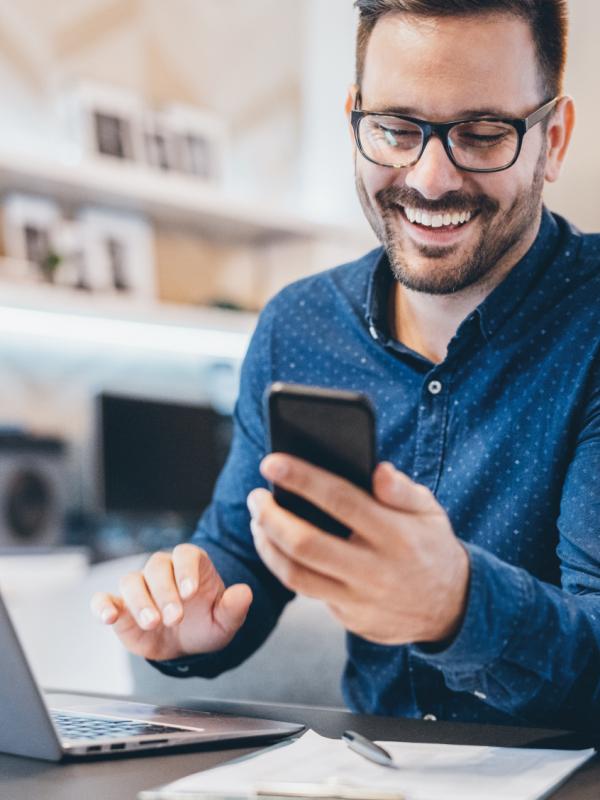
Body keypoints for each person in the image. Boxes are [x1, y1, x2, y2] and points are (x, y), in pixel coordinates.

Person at [92, 0, 600, 730]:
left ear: (554, 139)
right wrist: (187, 622)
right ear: (354, 119)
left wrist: (459, 606)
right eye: (395, 130)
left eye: (483, 135)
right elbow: (240, 552)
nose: (428, 179)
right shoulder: (298, 327)